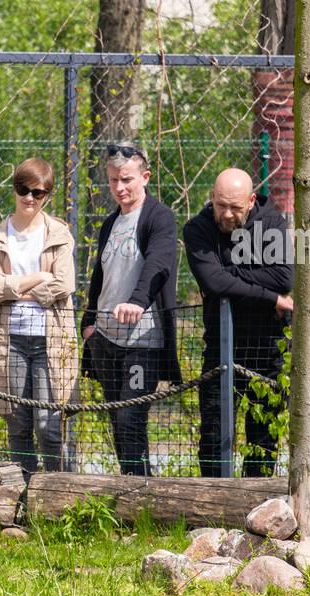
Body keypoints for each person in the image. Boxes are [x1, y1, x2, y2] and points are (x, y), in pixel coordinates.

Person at [80, 143, 183, 476]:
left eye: (126, 179)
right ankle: (129, 486)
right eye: (112, 181)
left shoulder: (159, 217)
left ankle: (143, 493)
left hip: (142, 343)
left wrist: (137, 301)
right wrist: (88, 322)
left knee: (130, 416)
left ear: (145, 177)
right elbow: (100, 274)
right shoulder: (110, 223)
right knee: (116, 417)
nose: (119, 188)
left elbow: (159, 263)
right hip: (105, 339)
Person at [183, 168, 294, 477]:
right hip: (220, 346)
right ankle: (212, 506)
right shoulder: (198, 229)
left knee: (263, 437)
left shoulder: (272, 223)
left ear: (251, 200)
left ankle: (258, 511)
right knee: (215, 435)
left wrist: (227, 272)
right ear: (212, 199)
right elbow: (213, 282)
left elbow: (284, 277)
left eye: (235, 207)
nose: (227, 214)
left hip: (268, 347)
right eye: (221, 205)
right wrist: (269, 297)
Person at [0, 157, 77, 479]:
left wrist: (18, 290)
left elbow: (64, 283)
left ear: (47, 195)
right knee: (18, 423)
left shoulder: (58, 232)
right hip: (10, 340)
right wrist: (37, 277)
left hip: (51, 341)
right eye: (23, 189)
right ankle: (23, 493)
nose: (29, 198)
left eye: (38, 192)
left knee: (49, 424)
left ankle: (56, 490)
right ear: (15, 189)